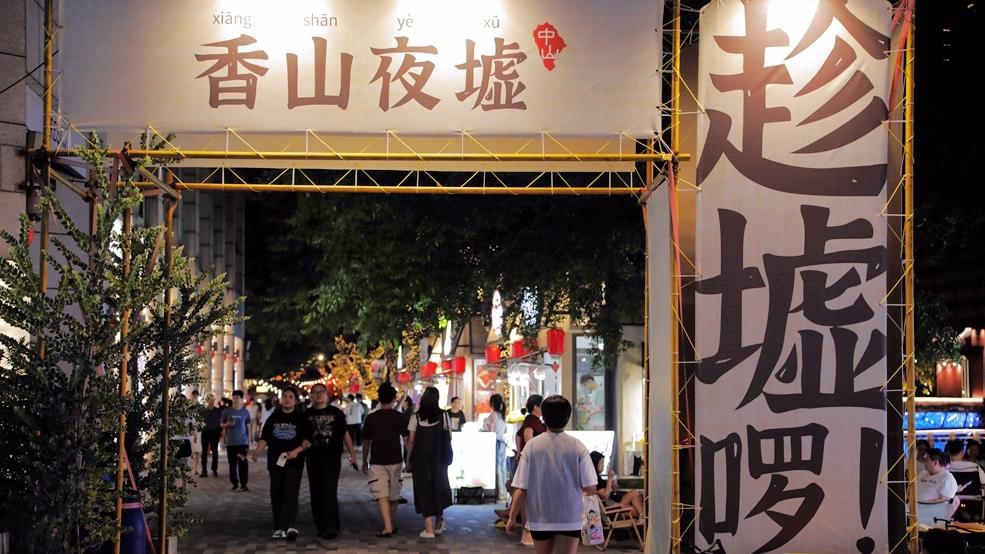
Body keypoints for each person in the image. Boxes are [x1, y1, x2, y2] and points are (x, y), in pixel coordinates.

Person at [507, 395, 597, 554]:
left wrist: (512, 517)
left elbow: (521, 489)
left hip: (540, 518)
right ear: (567, 417)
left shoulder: (531, 447)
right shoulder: (578, 447)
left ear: (544, 417)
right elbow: (590, 488)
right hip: (570, 518)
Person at [251, 387, 313, 541]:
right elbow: (265, 437)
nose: (287, 399)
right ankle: (278, 527)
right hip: (275, 461)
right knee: (276, 493)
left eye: (291, 397)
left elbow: (308, 440)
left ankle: (290, 526)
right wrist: (256, 452)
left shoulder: (301, 418)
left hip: (294, 462)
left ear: (295, 401)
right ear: (280, 399)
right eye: (285, 396)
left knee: (290, 493)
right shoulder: (273, 418)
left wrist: (297, 451)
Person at [304, 383, 358, 539]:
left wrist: (352, 455)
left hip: (332, 457)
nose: (318, 394)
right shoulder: (306, 414)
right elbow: (302, 436)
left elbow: (345, 434)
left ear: (326, 395)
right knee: (316, 491)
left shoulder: (336, 413)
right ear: (311, 395)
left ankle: (332, 526)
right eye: (315, 392)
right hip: (313, 458)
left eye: (321, 391)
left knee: (329, 490)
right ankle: (320, 525)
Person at [405, 386, 454, 539]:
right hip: (439, 459)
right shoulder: (444, 415)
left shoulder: (415, 417)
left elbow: (411, 441)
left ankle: (428, 529)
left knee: (423, 489)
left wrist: (408, 460)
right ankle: (438, 524)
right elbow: (449, 437)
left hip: (420, 460)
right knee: (438, 487)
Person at [361, 382, 406, 537]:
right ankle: (389, 525)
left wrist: (364, 460)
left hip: (377, 460)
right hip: (396, 459)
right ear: (394, 399)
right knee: (394, 494)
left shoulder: (371, 418)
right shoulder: (399, 417)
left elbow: (366, 441)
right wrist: (409, 459)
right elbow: (407, 439)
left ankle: (388, 526)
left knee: (382, 494)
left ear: (379, 399)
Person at [589, 451, 644, 518]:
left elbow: (605, 491)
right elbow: (605, 496)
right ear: (595, 463)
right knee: (636, 509)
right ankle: (643, 518)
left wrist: (611, 488)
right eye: (601, 463)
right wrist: (610, 478)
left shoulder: (597, 477)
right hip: (610, 507)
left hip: (614, 503)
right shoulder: (594, 479)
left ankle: (643, 517)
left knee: (634, 493)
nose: (603, 465)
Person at [220, 390, 252, 491]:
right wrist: (227, 425)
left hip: (242, 443)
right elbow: (221, 424)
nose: (235, 400)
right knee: (232, 464)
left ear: (242, 399)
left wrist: (249, 440)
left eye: (237, 398)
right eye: (233, 398)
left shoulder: (245, 412)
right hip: (231, 443)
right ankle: (234, 483)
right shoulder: (226, 411)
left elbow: (247, 426)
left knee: (243, 464)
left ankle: (244, 484)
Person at [917, 448, 960, 519]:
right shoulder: (922, 474)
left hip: (930, 514)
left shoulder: (947, 478)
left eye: (926, 460)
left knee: (956, 499)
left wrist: (921, 506)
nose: (924, 463)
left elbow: (943, 502)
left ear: (935, 463)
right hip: (913, 509)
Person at [482, 393, 509, 502]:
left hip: (495, 442)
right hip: (502, 442)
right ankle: (504, 493)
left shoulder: (493, 414)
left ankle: (500, 493)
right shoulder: (503, 415)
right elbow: (505, 430)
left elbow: (491, 431)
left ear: (492, 403)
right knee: (502, 468)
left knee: (497, 467)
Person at [199, 394, 223, 477]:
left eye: (211, 400)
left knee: (215, 451)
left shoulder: (218, 411)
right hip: (205, 432)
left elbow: (221, 422)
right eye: (208, 400)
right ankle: (204, 471)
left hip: (215, 432)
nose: (210, 402)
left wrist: (221, 432)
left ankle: (214, 469)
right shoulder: (202, 411)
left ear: (214, 401)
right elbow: (199, 422)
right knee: (204, 452)